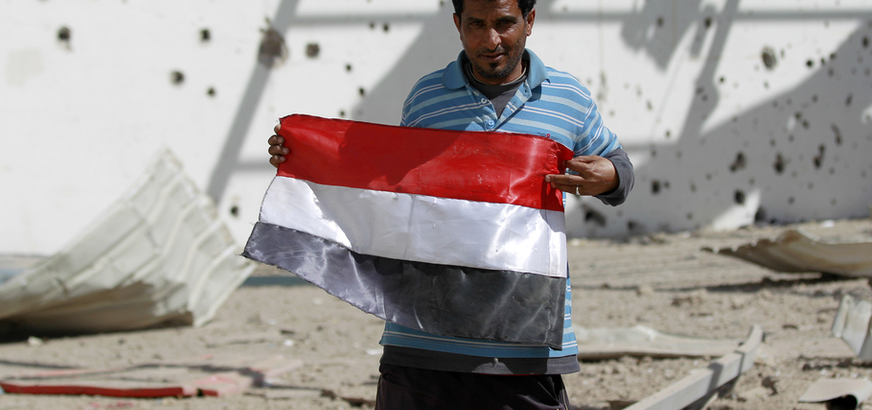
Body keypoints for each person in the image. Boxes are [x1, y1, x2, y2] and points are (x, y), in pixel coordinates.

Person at [268, 0, 634, 408]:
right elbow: (391, 187)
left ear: (529, 21)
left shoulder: (568, 97)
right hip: (423, 338)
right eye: (476, 24)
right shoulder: (426, 98)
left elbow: (619, 168)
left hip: (524, 341)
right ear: (458, 24)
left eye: (504, 23)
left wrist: (610, 177)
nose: (491, 39)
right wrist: (303, 156)